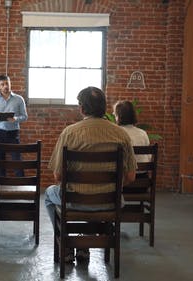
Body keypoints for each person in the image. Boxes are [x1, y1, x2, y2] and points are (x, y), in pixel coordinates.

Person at [44, 87, 137, 264]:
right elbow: (131, 176)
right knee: (94, 197)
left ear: (82, 108)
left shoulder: (69, 133)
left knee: (49, 194)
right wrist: (106, 189)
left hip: (75, 200)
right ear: (104, 108)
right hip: (110, 202)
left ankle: (65, 243)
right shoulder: (121, 134)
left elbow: (58, 176)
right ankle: (84, 244)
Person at [0, 74, 28, 177]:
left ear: (10, 84)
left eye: (7, 83)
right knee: (0, 161)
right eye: (2, 84)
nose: (5, 86)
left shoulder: (19, 99)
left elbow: (25, 116)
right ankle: (0, 186)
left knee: (17, 160)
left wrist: (16, 119)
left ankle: (21, 184)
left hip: (13, 133)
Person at [113, 100, 151, 164]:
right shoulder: (143, 133)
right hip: (143, 172)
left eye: (115, 114)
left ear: (118, 116)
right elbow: (149, 157)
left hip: (124, 173)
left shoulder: (116, 133)